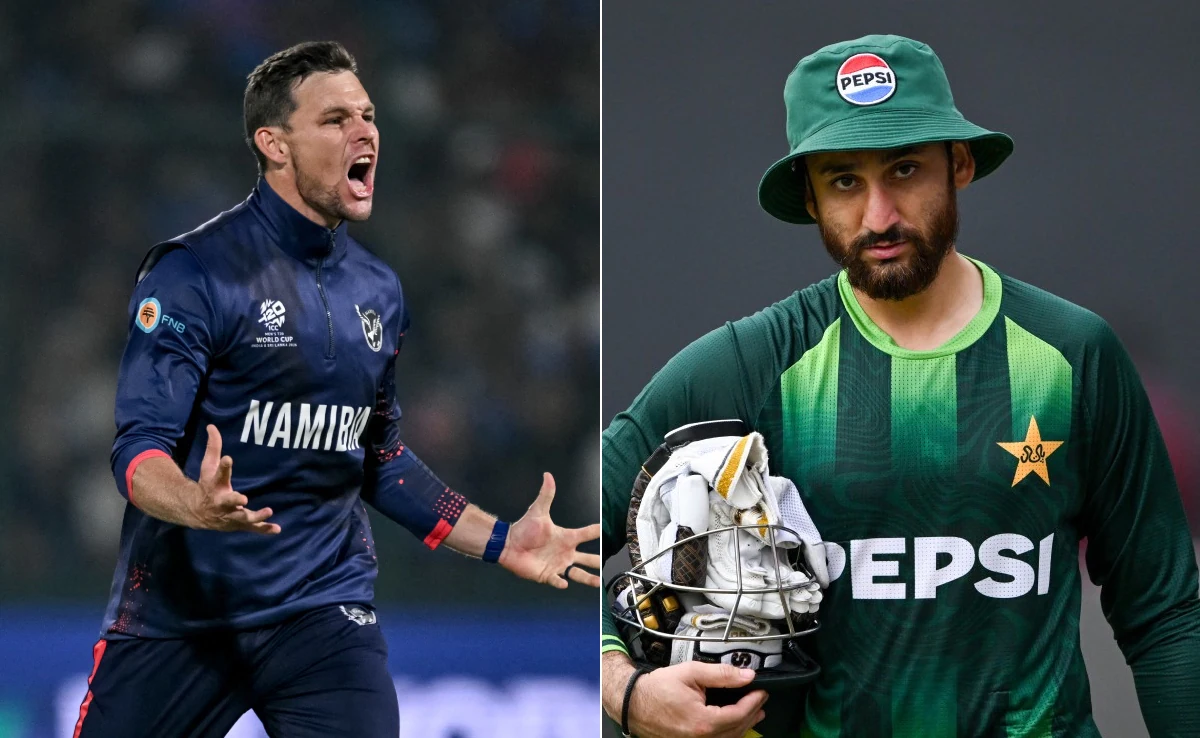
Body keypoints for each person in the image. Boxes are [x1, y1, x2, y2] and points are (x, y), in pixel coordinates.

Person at [600, 34, 1200, 738]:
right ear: (810, 196)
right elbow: (557, 543)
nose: (879, 215)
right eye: (845, 181)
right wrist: (625, 689)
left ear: (961, 165)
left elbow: (1163, 615)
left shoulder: (1073, 356)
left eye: (906, 169)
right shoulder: (752, 364)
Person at [74, 41, 601, 738]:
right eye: (335, 119)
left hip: (321, 613)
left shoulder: (378, 291)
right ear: (275, 145)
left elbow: (378, 459)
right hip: (183, 614)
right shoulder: (193, 274)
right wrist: (194, 505)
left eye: (369, 115)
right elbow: (136, 453)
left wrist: (503, 542)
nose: (365, 133)